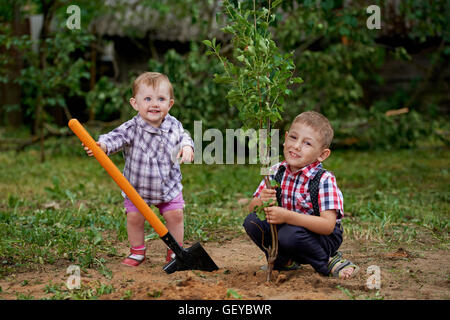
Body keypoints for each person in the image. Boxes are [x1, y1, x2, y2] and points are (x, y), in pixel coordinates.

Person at [83, 72, 194, 267]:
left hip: (168, 187)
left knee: (175, 216)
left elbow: (184, 137)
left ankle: (175, 252)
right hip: (137, 189)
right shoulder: (131, 128)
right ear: (135, 103)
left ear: (170, 104)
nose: (154, 104)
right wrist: (102, 146)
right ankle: (137, 251)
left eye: (161, 99)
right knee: (135, 218)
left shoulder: (173, 125)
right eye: (148, 99)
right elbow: (114, 138)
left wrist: (187, 147)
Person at [243, 111, 359, 279]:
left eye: (307, 144)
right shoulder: (276, 172)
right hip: (287, 233)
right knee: (252, 222)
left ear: (322, 154)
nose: (296, 146)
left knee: (290, 234)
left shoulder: (323, 180)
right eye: (293, 138)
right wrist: (262, 200)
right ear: (285, 138)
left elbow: (327, 226)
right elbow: (253, 208)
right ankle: (284, 261)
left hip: (320, 238)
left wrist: (287, 217)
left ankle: (326, 260)